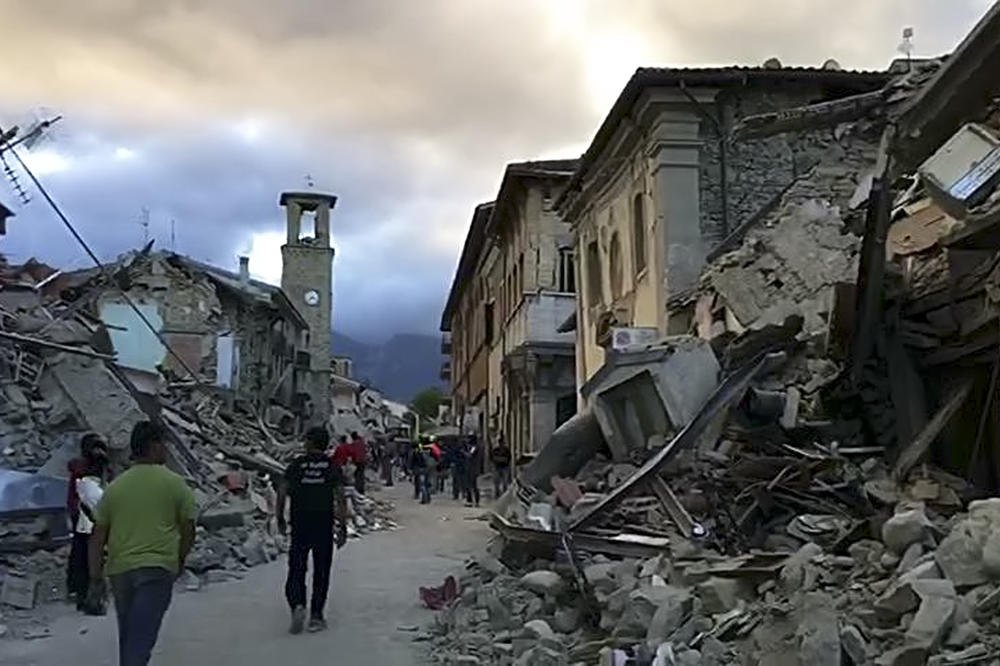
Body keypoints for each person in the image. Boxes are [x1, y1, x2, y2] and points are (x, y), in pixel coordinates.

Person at [89, 421, 197, 666]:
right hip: (156, 569)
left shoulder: (115, 488)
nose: (166, 450)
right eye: (163, 444)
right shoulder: (175, 483)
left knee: (130, 635)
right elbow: (188, 529)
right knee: (141, 640)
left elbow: (97, 536)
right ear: (153, 445)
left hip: (120, 572)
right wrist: (180, 559)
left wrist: (95, 576)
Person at [277, 426, 348, 634]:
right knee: (322, 571)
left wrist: (280, 517)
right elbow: (341, 497)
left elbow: (281, 491)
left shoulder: (297, 465)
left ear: (310, 442)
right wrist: (342, 526)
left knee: (296, 568)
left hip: (300, 524)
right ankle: (316, 616)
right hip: (323, 525)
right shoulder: (331, 466)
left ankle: (297, 604)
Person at [66, 433, 109, 614]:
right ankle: (87, 594)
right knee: (87, 553)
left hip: (83, 513)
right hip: (86, 514)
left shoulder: (84, 467)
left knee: (81, 551)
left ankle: (79, 590)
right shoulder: (85, 468)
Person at [463, 434, 483, 507]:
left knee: (473, 485)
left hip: (473, 468)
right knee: (469, 485)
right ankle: (470, 500)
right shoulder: (472, 447)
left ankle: (474, 501)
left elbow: (470, 455)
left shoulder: (475, 447)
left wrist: (463, 452)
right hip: (470, 468)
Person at [490, 434, 512, 499]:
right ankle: (497, 494)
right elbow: (492, 458)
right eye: (500, 443)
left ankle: (504, 495)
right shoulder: (495, 450)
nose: (501, 444)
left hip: (504, 467)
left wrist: (500, 459)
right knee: (496, 482)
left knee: (505, 482)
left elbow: (509, 458)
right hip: (497, 467)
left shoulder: (506, 450)